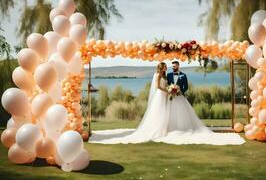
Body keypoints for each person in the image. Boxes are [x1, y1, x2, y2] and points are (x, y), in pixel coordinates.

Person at [89, 62, 245, 145]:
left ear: (178, 66)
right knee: (159, 112)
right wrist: (169, 91)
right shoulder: (161, 75)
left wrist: (177, 90)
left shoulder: (178, 75)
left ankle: (169, 127)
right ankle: (159, 129)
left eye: (171, 66)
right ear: (163, 68)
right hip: (162, 95)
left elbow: (183, 86)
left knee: (170, 113)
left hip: (172, 96)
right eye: (167, 66)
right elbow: (159, 86)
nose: (169, 68)